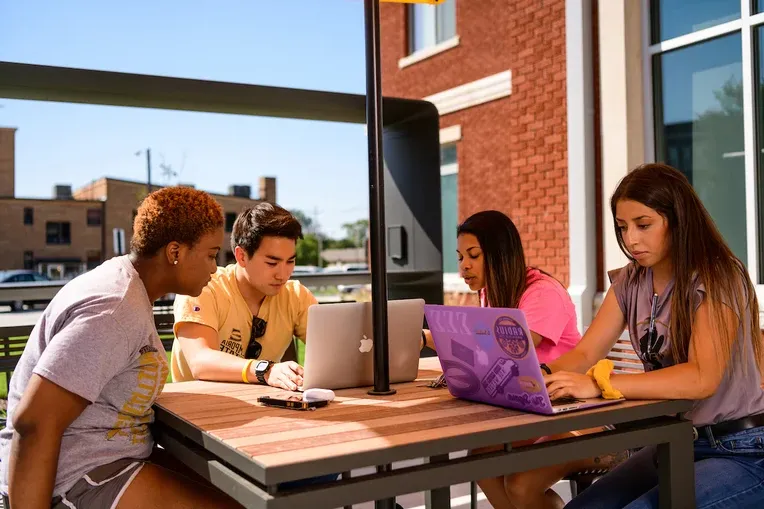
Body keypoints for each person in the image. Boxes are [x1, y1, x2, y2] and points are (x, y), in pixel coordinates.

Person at [0, 187, 241, 508]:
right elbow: (35, 421)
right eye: (211, 254)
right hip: (74, 480)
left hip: (110, 459)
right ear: (175, 252)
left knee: (238, 492)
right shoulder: (113, 309)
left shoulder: (129, 291)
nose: (215, 268)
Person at [544, 163, 764, 508]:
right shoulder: (631, 279)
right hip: (672, 442)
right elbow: (585, 355)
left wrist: (602, 384)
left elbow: (702, 378)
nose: (631, 239)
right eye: (623, 227)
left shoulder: (717, 274)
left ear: (678, 220)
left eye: (643, 225)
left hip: (740, 448)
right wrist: (534, 379)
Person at [423, 210, 615, 509]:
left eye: (473, 255)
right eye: (460, 257)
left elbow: (509, 352)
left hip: (584, 417)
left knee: (521, 484)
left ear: (500, 254)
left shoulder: (542, 293)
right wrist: (425, 337)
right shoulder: (495, 293)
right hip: (535, 413)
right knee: (481, 460)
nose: (464, 267)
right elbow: (479, 349)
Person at [171, 202, 317, 390]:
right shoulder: (203, 287)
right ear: (241, 256)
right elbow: (200, 361)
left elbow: (335, 349)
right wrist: (266, 370)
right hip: (195, 409)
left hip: (265, 407)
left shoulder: (296, 295)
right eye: (272, 263)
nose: (283, 274)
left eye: (290, 261)